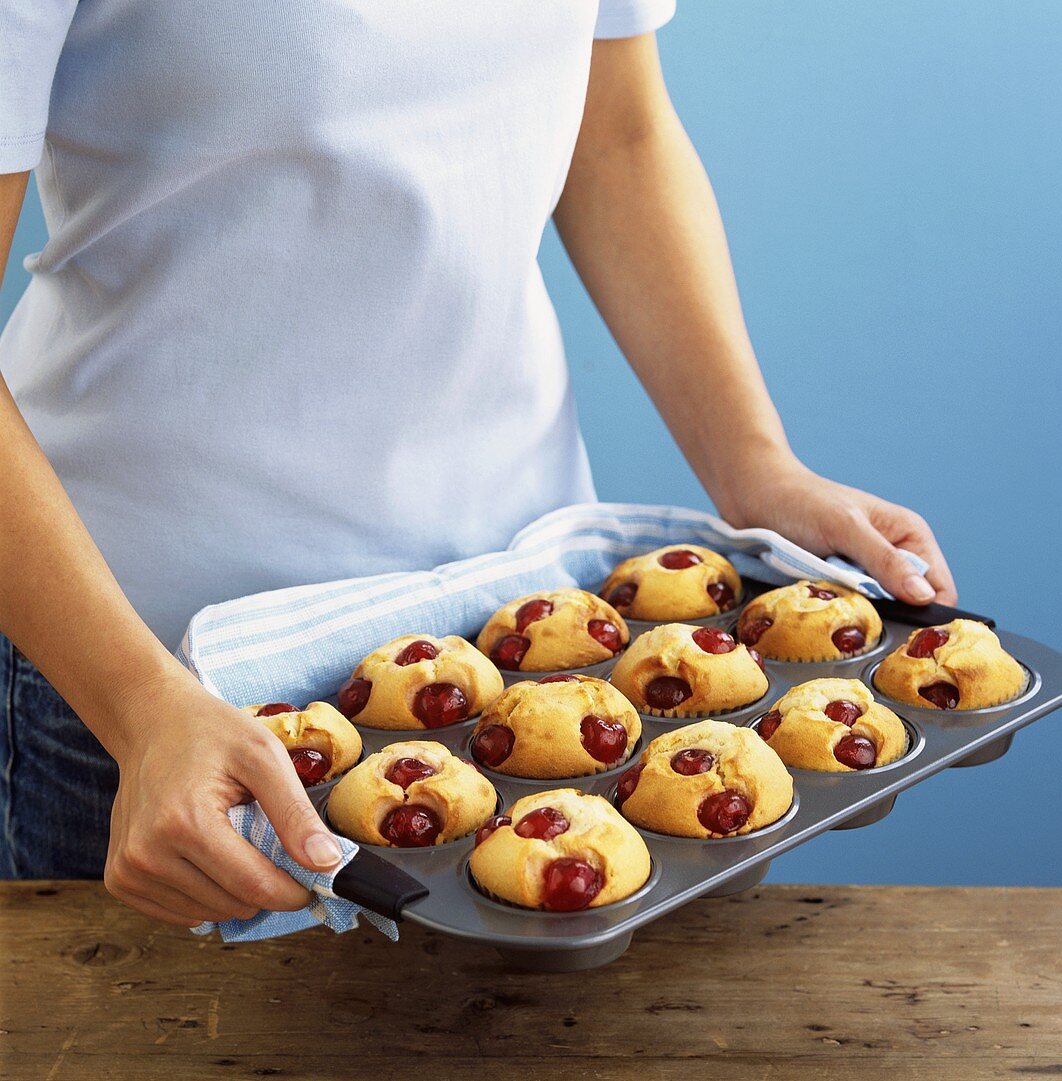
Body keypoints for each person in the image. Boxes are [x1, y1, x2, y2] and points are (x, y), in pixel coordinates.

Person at [0, 2, 955, 928]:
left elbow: (616, 135)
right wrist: (136, 709)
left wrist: (756, 467)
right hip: (150, 667)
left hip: (541, 636)